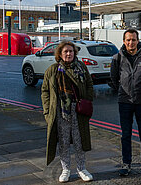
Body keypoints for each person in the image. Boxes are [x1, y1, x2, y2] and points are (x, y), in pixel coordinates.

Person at [41, 41, 94, 183]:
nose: (69, 54)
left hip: (78, 111)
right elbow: (45, 91)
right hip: (61, 111)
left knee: (79, 141)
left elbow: (89, 83)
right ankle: (65, 170)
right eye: (65, 51)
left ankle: (82, 168)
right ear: (60, 54)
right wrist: (47, 112)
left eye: (71, 51)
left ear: (74, 53)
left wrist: (87, 99)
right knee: (63, 142)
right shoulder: (52, 70)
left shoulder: (81, 67)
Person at [110, 28, 141, 178]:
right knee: (126, 135)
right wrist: (123, 92)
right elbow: (114, 79)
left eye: (133, 40)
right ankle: (126, 163)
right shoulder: (117, 58)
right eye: (128, 40)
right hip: (125, 102)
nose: (131, 42)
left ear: (138, 41)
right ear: (124, 41)